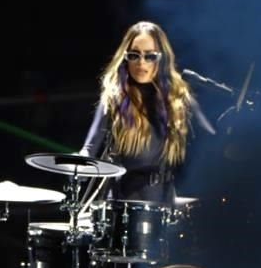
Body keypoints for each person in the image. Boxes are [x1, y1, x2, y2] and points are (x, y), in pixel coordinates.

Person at [79, 20, 215, 205]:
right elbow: (89, 149)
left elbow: (213, 141)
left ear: (162, 58)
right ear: (125, 58)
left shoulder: (178, 98)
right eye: (134, 55)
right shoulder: (113, 98)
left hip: (165, 205)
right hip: (123, 207)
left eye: (150, 56)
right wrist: (77, 165)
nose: (141, 62)